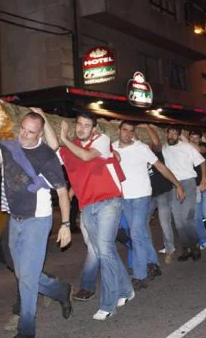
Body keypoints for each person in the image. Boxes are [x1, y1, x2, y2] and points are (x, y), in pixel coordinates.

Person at [0, 109, 73, 338]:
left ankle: (26, 331)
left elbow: (63, 192)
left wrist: (65, 224)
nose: (25, 135)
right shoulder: (9, 144)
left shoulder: (46, 156)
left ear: (40, 134)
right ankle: (60, 290)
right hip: (15, 220)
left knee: (26, 280)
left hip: (37, 220)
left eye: (31, 132)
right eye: (23, 129)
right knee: (23, 274)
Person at [48, 112, 134, 321]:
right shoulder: (67, 150)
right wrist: (43, 117)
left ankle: (109, 304)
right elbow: (52, 145)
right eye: (79, 124)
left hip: (109, 201)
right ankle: (126, 290)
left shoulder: (101, 140)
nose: (82, 128)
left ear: (93, 129)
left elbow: (86, 156)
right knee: (106, 251)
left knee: (104, 250)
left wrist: (66, 139)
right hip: (87, 205)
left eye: (87, 125)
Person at [112, 121, 184, 288]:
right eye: (125, 130)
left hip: (141, 196)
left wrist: (177, 184)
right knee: (140, 232)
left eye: (131, 131)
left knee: (136, 234)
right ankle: (153, 263)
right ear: (118, 131)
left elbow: (160, 167)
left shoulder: (141, 148)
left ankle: (140, 275)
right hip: (124, 197)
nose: (128, 134)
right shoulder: (112, 147)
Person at [162, 126, 206, 262]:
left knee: (187, 218)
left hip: (188, 183)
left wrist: (203, 179)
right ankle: (186, 248)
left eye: (176, 133)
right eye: (170, 132)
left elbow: (202, 161)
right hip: (174, 185)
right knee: (178, 221)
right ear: (167, 133)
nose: (172, 135)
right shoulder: (164, 148)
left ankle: (195, 246)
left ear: (179, 136)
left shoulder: (187, 147)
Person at [138, 123, 177, 264]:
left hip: (164, 191)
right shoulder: (136, 153)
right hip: (149, 194)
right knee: (143, 221)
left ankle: (170, 249)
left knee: (164, 222)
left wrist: (147, 127)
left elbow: (156, 142)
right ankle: (149, 250)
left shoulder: (154, 151)